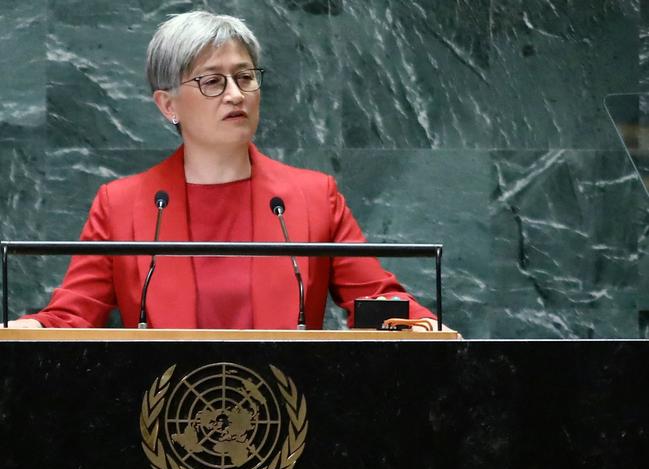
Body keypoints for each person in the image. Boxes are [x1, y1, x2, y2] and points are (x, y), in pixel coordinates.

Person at [9, 11, 448, 331]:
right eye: (213, 81)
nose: (236, 95)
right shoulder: (122, 205)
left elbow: (376, 297)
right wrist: (30, 331)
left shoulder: (313, 196)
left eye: (246, 77)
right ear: (168, 105)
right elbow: (72, 315)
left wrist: (421, 325)